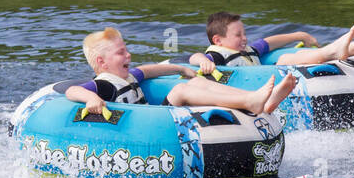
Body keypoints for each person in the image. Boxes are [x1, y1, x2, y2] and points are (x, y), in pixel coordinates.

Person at [66, 27, 297, 116]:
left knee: (195, 83)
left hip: (158, 118)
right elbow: (72, 90)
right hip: (148, 126)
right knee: (178, 91)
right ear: (101, 63)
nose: (128, 56)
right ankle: (249, 101)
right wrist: (91, 98)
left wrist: (181, 68)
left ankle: (256, 103)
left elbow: (149, 71)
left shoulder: (129, 76)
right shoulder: (103, 85)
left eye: (127, 51)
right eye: (121, 53)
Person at [189, 12, 354, 68]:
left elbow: (270, 42)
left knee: (288, 57)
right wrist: (203, 62)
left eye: (244, 33)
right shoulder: (218, 57)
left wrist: (299, 36)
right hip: (250, 85)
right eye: (238, 35)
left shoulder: (248, 50)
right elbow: (194, 58)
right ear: (218, 40)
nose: (244, 38)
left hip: (266, 75)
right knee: (283, 61)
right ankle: (339, 49)